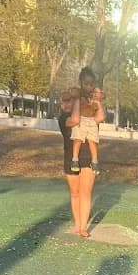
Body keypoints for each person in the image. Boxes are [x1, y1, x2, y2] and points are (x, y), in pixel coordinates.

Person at [59, 89, 97, 238]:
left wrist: (91, 100)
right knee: (75, 193)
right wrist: (76, 102)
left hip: (87, 158)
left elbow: (100, 115)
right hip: (70, 159)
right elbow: (74, 121)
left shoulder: (87, 116)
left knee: (85, 193)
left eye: (70, 100)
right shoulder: (63, 118)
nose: (67, 104)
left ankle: (83, 227)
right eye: (65, 101)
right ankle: (77, 223)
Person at [70, 66, 105, 175]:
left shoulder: (94, 94)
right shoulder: (79, 93)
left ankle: (94, 161)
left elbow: (102, 96)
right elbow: (71, 92)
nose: (89, 87)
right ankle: (75, 159)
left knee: (92, 140)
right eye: (86, 84)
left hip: (91, 121)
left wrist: (98, 95)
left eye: (91, 84)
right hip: (81, 120)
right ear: (80, 82)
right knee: (78, 138)